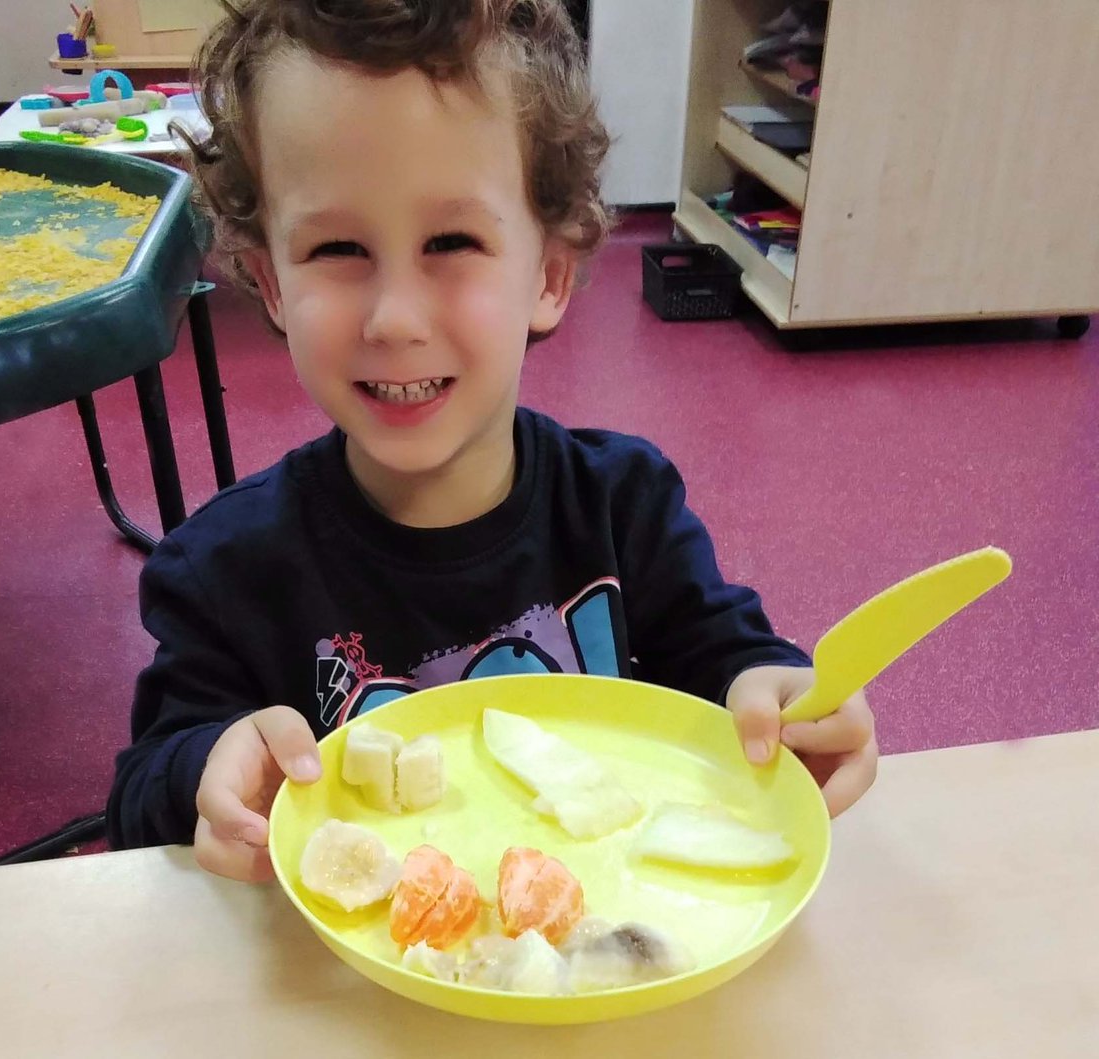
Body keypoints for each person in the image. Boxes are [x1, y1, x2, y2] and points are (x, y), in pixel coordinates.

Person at [107, 0, 877, 882]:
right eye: (336, 249)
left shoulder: (624, 507)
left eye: (451, 241)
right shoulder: (223, 572)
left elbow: (726, 660)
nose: (395, 318)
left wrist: (778, 697)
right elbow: (139, 804)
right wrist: (207, 767)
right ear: (271, 285)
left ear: (548, 276)